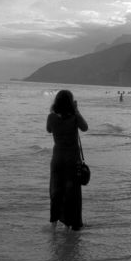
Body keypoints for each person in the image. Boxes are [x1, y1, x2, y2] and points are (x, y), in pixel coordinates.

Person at [46, 90, 88, 231]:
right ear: (71, 102)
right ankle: (69, 224)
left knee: (56, 191)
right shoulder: (74, 117)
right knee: (71, 193)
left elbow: (48, 130)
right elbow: (85, 128)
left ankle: (53, 224)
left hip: (57, 159)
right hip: (72, 160)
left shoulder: (51, 117)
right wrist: (76, 110)